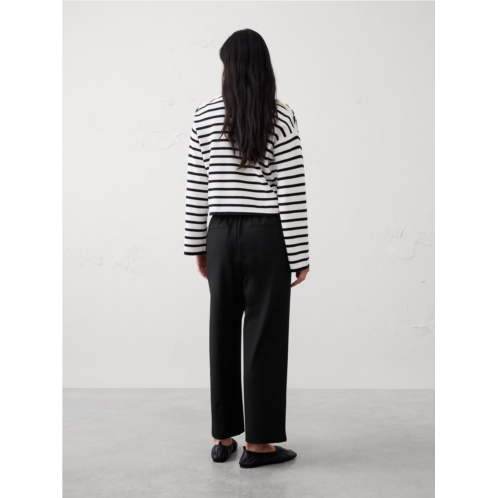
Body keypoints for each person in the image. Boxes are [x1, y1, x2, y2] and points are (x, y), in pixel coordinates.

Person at [183, 29, 310, 469]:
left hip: (220, 234)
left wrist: (197, 245)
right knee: (264, 336)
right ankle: (259, 446)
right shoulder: (281, 115)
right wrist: (300, 254)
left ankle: (223, 438)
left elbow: (197, 187)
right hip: (266, 235)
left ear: (230, 67)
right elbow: (291, 190)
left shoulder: (204, 115)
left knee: (221, 330)